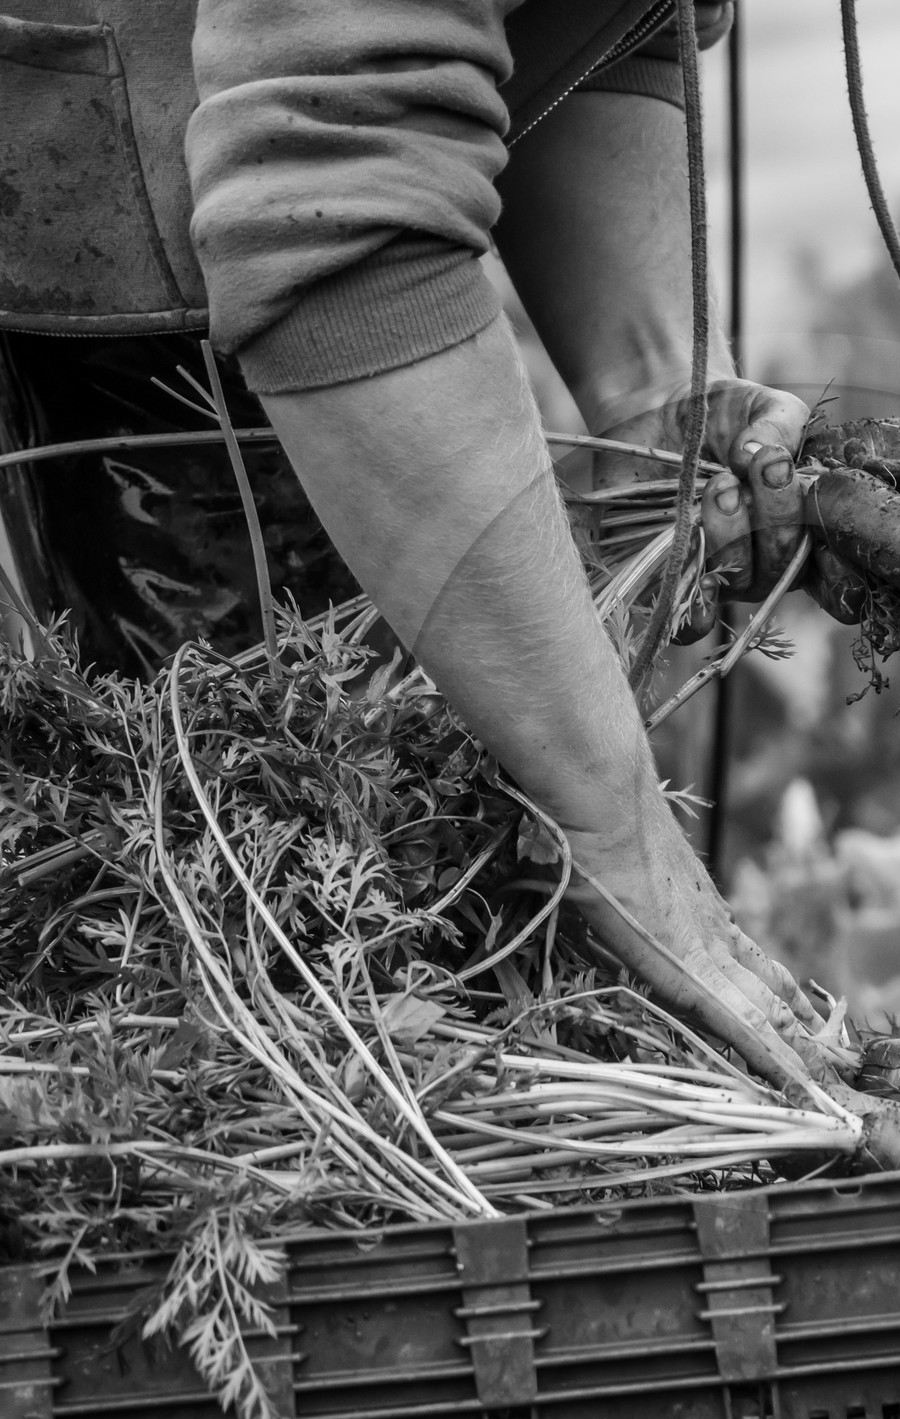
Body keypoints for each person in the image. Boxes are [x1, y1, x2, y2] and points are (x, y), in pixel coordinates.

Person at [0, 1, 834, 1083]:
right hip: (140, 233)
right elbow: (327, 220)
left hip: (284, 155)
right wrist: (617, 839)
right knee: (293, 926)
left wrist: (652, 377)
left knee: (475, 899)